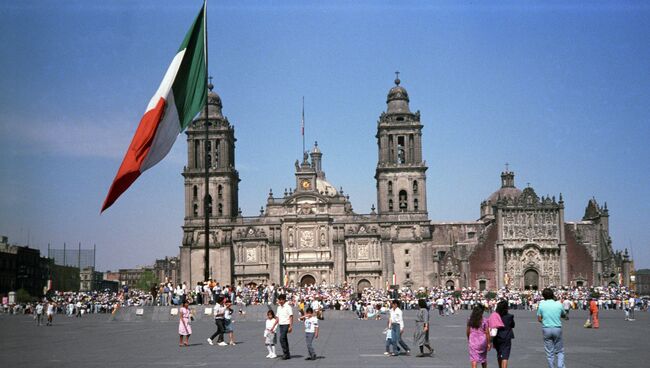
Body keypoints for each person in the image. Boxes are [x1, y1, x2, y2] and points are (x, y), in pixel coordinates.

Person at [537, 288, 565, 368]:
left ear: (543, 296)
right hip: (557, 328)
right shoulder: (558, 303)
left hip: (546, 329)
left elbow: (539, 319)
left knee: (549, 352)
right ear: (552, 295)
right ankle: (560, 366)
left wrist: (546, 321)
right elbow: (563, 314)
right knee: (560, 350)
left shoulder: (541, 304)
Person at [493, 300, 515, 368]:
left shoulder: (496, 316)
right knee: (505, 356)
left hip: (497, 337)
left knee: (499, 354)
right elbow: (513, 325)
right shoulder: (510, 316)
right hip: (506, 337)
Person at [274, 294, 294, 360]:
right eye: (279, 300)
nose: (280, 301)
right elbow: (277, 317)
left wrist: (291, 326)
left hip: (286, 324)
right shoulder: (279, 307)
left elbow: (291, 317)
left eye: (282, 299)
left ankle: (285, 353)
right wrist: (273, 325)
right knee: (284, 339)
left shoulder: (288, 307)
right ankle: (287, 354)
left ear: (284, 300)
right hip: (281, 324)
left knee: (281, 338)